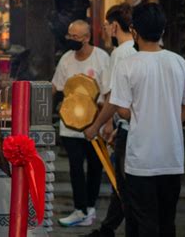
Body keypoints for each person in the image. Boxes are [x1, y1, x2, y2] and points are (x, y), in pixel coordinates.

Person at [85, 3, 185, 236]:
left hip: (141, 159)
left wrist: (144, 116)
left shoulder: (128, 65)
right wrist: (167, 119)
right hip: (172, 157)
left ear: (134, 31)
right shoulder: (179, 62)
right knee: (167, 221)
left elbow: (121, 111)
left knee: (141, 221)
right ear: (162, 31)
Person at [84, 4, 137, 237]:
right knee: (122, 181)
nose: (105, 30)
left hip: (127, 124)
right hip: (130, 124)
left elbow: (116, 95)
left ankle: (123, 229)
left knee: (124, 183)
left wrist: (102, 124)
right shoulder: (136, 49)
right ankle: (108, 228)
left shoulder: (120, 53)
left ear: (115, 26)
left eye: (106, 25)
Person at [52, 19, 110, 227]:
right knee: (75, 166)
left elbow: (109, 94)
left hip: (95, 123)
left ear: (87, 38)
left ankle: (90, 208)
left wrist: (107, 123)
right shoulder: (66, 59)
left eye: (76, 37)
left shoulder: (101, 58)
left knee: (95, 166)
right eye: (70, 36)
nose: (71, 40)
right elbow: (55, 87)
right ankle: (80, 209)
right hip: (69, 125)